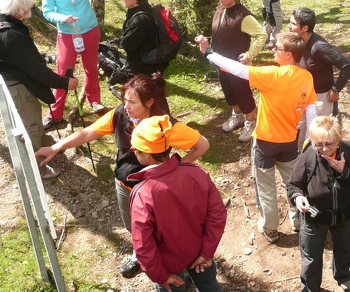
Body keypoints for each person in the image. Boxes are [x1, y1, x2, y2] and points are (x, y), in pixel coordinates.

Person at [34, 74, 211, 278]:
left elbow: (202, 145)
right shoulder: (120, 114)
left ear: (149, 102)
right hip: (125, 186)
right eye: (124, 100)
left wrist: (176, 168)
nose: (126, 106)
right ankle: (140, 253)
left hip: (156, 192)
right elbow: (87, 133)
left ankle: (173, 264)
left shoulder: (164, 125)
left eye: (132, 102)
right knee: (133, 226)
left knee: (163, 231)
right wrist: (56, 147)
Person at [196, 31, 316, 242]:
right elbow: (311, 112)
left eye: (277, 48)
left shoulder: (272, 75)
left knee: (266, 188)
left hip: (265, 143)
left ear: (288, 54)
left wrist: (208, 53)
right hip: (290, 141)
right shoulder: (306, 77)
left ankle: (270, 229)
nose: (273, 50)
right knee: (294, 183)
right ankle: (299, 220)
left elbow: (238, 69)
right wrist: (308, 142)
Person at [0, 0, 79, 180]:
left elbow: (25, 58)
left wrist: (48, 58)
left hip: (14, 78)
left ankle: (44, 144)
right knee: (29, 126)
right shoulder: (10, 35)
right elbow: (35, 70)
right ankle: (38, 168)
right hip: (16, 87)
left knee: (34, 116)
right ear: (22, 9)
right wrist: (65, 83)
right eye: (29, 5)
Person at [128, 115, 227, 292]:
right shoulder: (197, 173)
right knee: (209, 286)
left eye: (136, 149)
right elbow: (217, 215)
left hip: (167, 265)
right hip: (201, 253)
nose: (134, 152)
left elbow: (143, 245)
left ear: (147, 154)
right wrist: (207, 252)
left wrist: (160, 276)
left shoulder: (142, 194)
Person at [287, 116, 350, 292]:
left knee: (343, 249)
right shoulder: (308, 156)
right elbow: (293, 185)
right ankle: (310, 287)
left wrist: (344, 171)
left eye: (329, 144)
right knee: (311, 256)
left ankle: (343, 276)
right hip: (314, 217)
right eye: (318, 144)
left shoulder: (349, 151)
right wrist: (297, 197)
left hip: (345, 214)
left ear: (338, 139)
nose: (324, 149)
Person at [41, 0, 108, 129]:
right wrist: (62, 18)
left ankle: (95, 101)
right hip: (67, 33)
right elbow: (47, 11)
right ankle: (55, 114)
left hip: (90, 29)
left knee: (91, 68)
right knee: (63, 73)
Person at [210, 0, 267, 142]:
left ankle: (250, 121)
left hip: (237, 65)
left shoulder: (243, 16)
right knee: (229, 92)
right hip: (221, 62)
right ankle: (237, 115)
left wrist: (250, 54)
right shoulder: (220, 10)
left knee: (243, 93)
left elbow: (261, 35)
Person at [288, 7, 350, 147]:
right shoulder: (297, 41)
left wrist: (336, 88)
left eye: (293, 24)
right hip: (302, 96)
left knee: (321, 136)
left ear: (305, 28)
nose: (289, 26)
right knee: (300, 133)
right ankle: (303, 158)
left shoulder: (319, 47)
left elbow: (347, 65)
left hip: (321, 99)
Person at [114, 0, 163, 84]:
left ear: (134, 0)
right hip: (146, 62)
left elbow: (128, 45)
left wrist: (120, 42)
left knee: (116, 82)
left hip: (142, 67)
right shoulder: (145, 10)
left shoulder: (140, 20)